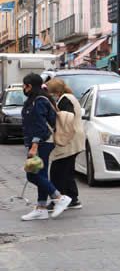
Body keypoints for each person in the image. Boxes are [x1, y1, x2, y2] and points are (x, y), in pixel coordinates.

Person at [20, 73, 71, 221]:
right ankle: (41, 208)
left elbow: (41, 126)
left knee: (32, 174)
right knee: (40, 175)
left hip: (42, 142)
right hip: (39, 142)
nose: (23, 88)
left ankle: (59, 198)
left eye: (25, 85)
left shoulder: (39, 101)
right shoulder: (34, 100)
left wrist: (34, 145)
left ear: (30, 86)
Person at [46, 78, 85, 210]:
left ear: (55, 91)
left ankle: (58, 199)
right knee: (67, 170)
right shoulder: (69, 97)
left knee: (58, 171)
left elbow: (67, 117)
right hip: (75, 137)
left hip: (69, 139)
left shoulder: (65, 99)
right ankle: (72, 199)